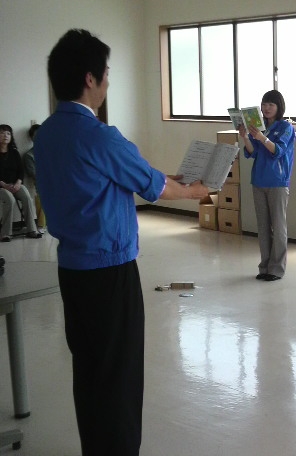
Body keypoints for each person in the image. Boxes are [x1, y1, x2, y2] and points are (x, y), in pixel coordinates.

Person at [35, 28, 210, 456]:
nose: (108, 82)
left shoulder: (48, 134)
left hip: (72, 269)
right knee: (120, 375)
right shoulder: (98, 135)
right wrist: (196, 191)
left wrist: (170, 178)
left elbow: (131, 175)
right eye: (107, 74)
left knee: (90, 369)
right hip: (109, 272)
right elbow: (154, 187)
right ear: (90, 78)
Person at [239, 90, 295, 282]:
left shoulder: (285, 127)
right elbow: (252, 152)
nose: (266, 108)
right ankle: (265, 266)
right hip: (259, 180)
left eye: (271, 104)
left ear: (279, 107)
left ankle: (276, 269)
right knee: (263, 226)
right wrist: (246, 137)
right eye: (264, 104)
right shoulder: (260, 127)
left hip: (277, 182)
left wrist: (262, 138)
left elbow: (278, 151)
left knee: (278, 226)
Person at [0, 123, 42, 242]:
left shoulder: (14, 153)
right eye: (2, 133)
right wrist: (4, 185)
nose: (5, 136)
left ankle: (31, 230)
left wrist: (18, 182)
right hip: (1, 186)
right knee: (10, 199)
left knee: (27, 197)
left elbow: (21, 171)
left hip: (16, 184)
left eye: (8, 133)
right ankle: (5, 233)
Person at [23, 123, 46, 229]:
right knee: (43, 194)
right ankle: (41, 225)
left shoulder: (51, 151)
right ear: (32, 138)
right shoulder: (29, 155)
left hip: (56, 180)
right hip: (42, 182)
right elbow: (33, 173)